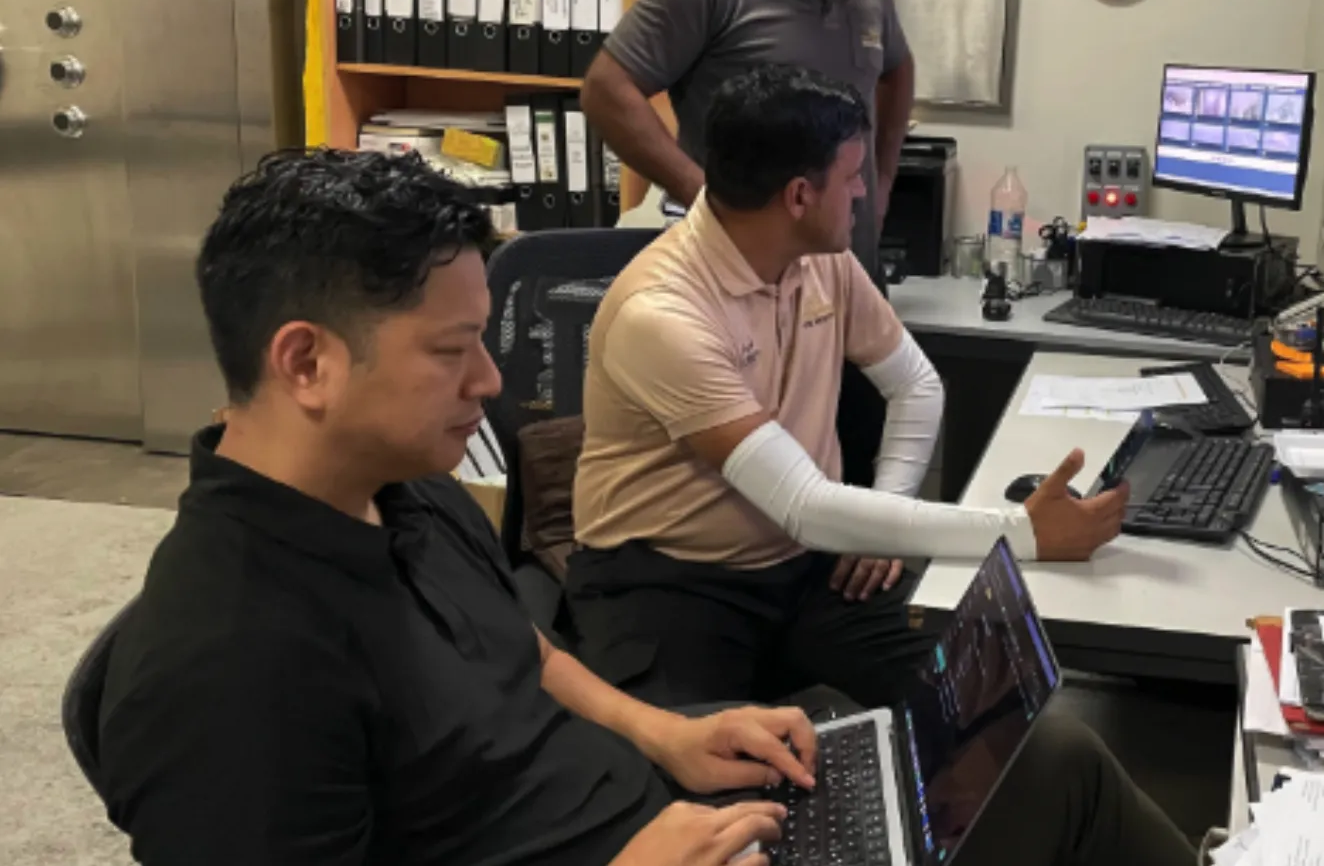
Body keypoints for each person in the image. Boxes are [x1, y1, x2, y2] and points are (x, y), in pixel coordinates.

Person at [93, 149, 1195, 866]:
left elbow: (517, 648)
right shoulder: (225, 670)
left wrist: (667, 731)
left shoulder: (400, 494)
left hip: (666, 814)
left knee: (1044, 761)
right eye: (451, 351)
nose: (491, 383)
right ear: (306, 362)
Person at [569, 65, 1127, 713]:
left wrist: (879, 525)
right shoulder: (663, 313)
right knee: (703, 792)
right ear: (800, 196)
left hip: (805, 566)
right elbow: (803, 503)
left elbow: (916, 385)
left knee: (990, 706)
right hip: (671, 581)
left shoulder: (822, 262)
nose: (864, 191)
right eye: (853, 175)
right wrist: (1022, 533)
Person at [580, 0, 912, 490]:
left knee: (861, 478)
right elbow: (605, 89)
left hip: (846, 281)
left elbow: (897, 70)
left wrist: (883, 176)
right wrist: (696, 188)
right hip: (749, 303)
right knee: (767, 498)